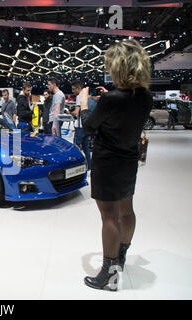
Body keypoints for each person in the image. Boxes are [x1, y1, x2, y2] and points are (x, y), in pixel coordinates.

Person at [79, 39, 153, 291]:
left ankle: (108, 277)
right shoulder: (145, 96)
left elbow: (89, 126)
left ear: (119, 66)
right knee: (126, 209)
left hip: (107, 161)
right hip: (129, 160)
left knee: (108, 216)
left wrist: (84, 104)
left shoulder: (111, 99)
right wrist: (106, 99)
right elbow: (124, 115)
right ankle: (119, 257)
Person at [68, 80, 91, 169]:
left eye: (74, 89)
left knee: (75, 148)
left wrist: (69, 112)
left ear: (79, 88)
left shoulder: (79, 97)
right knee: (86, 148)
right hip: (86, 126)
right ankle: (89, 167)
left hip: (80, 127)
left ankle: (75, 167)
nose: (73, 91)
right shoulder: (88, 97)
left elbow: (77, 112)